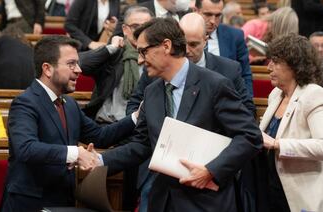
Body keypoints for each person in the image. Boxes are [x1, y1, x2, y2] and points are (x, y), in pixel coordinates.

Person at [98, 17, 262, 212]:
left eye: (144, 51)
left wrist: (211, 171)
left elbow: (250, 136)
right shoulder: (151, 92)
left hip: (206, 201)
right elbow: (142, 144)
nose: (140, 60)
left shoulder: (215, 85)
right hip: (163, 201)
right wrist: (100, 161)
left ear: (166, 46)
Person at [0, 35, 138, 211]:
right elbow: (26, 148)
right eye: (71, 64)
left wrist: (136, 117)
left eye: (78, 63)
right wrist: (75, 153)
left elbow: (100, 136)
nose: (79, 70)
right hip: (30, 204)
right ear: (47, 69)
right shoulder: (25, 102)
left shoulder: (69, 104)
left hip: (63, 202)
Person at [260, 33, 323, 211]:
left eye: (275, 62)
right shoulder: (276, 95)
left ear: (294, 66)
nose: (269, 67)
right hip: (271, 190)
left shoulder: (314, 95)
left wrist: (277, 144)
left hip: (305, 197)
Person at [79, 6, 153, 120]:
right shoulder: (115, 54)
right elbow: (80, 63)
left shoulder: (157, 57)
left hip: (140, 128)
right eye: (135, 26)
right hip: (108, 123)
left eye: (146, 26)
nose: (140, 31)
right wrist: (110, 48)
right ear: (125, 29)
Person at [194, 0, 253, 96]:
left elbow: (245, 74)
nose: (213, 21)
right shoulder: (182, 34)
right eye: (208, 14)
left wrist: (248, 104)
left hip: (226, 99)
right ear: (195, 11)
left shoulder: (235, 36)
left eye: (218, 16)